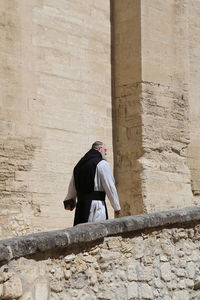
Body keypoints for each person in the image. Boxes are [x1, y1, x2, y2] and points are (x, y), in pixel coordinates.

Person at [64, 141, 121, 226]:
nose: (105, 153)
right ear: (99, 149)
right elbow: (110, 186)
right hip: (96, 207)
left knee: (80, 234)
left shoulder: (79, 165)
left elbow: (72, 185)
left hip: (81, 207)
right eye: (105, 150)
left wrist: (69, 201)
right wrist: (116, 207)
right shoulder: (102, 164)